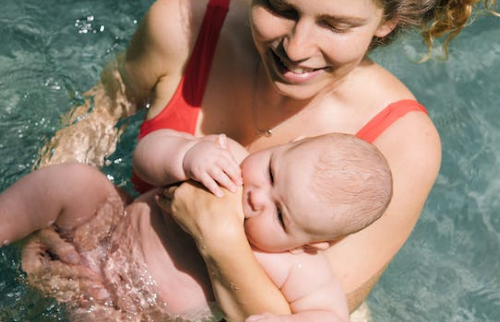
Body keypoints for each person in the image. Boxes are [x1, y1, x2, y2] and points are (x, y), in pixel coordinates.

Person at [34, 0, 499, 320]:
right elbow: (94, 119)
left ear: (387, 21)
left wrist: (217, 237)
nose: (295, 48)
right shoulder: (184, 27)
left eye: (335, 25)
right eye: (279, 6)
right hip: (122, 246)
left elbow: (303, 310)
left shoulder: (402, 144)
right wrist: (48, 246)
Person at [1, 132, 392, 322]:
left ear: (316, 244)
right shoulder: (227, 160)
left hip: (129, 311)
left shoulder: (296, 265)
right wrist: (184, 155)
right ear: (283, 145)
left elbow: (328, 314)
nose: (258, 195)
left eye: (280, 215)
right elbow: (144, 157)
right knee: (74, 181)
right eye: (271, 172)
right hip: (106, 230)